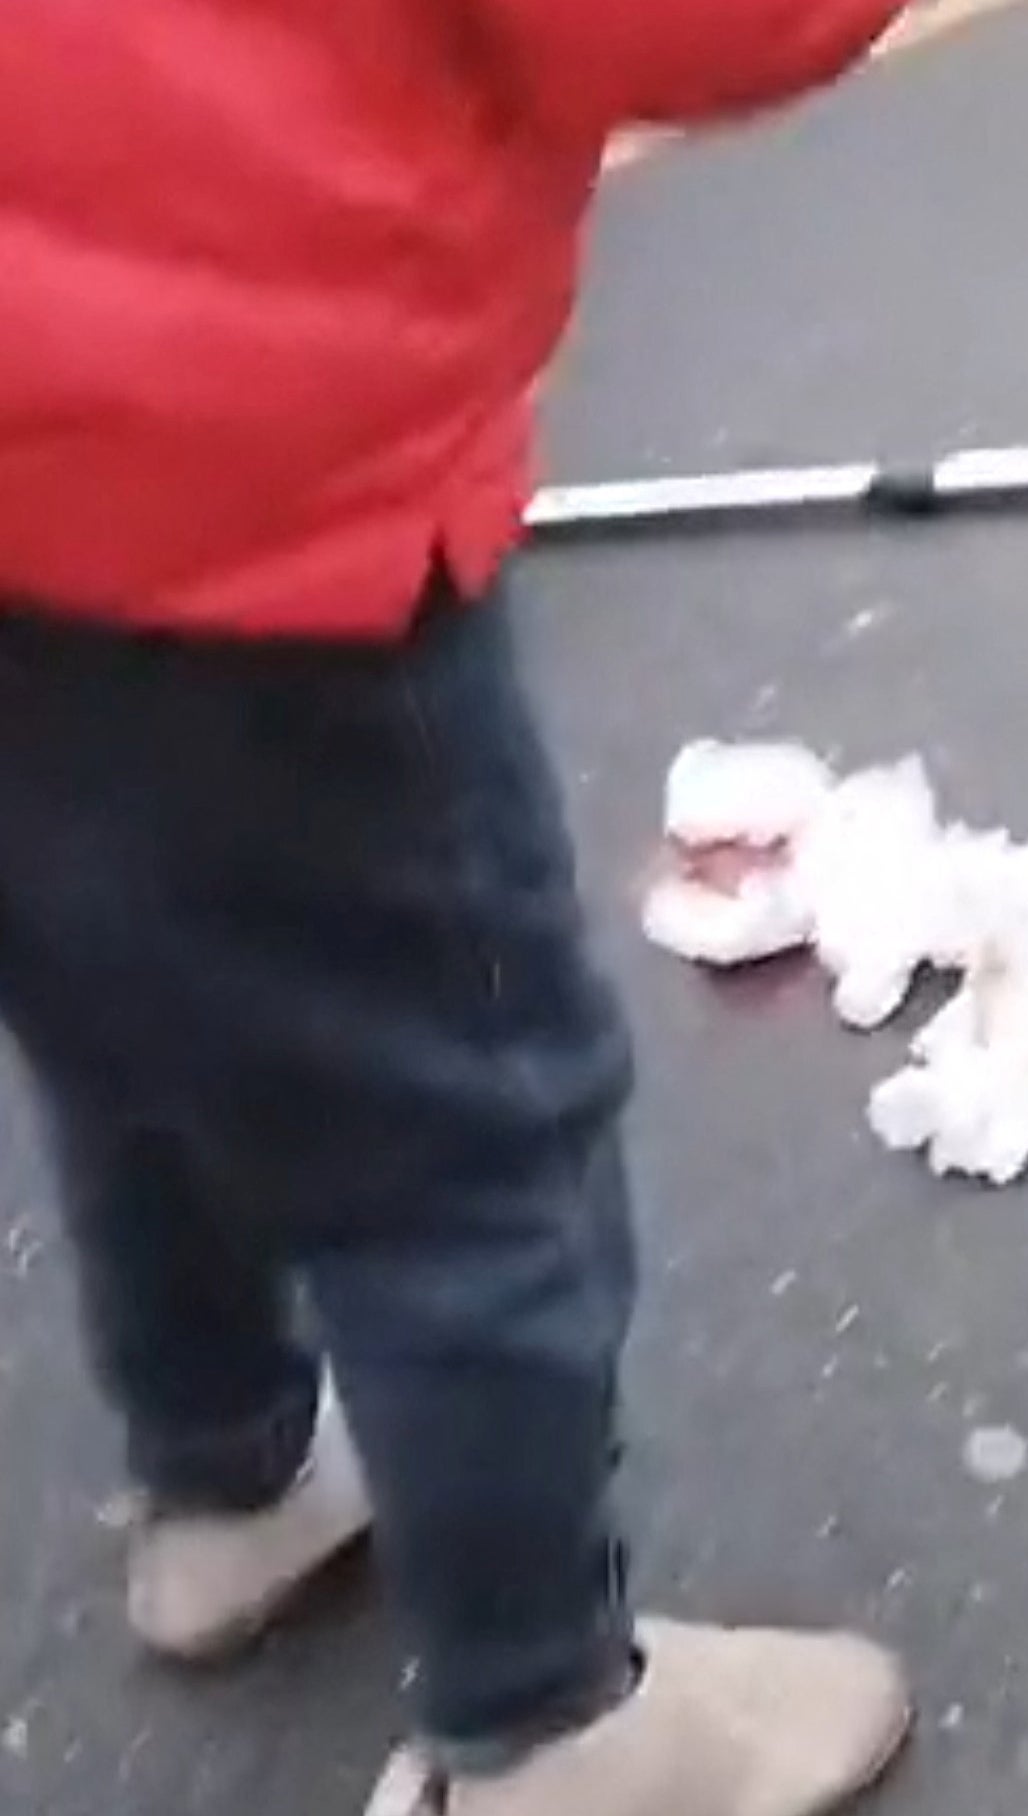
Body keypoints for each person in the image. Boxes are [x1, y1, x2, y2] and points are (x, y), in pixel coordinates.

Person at [1, 6, 922, 1814]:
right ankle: (548, 1721)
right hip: (266, 516)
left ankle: (228, 1476)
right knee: (464, 1140)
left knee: (120, 1015)